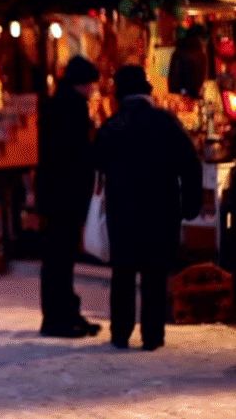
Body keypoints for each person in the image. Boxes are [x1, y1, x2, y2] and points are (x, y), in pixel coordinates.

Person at [94, 65, 202, 351]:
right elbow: (189, 164)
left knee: (123, 272)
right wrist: (190, 205)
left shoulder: (112, 126)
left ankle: (121, 332)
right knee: (155, 272)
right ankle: (152, 336)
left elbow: (98, 163)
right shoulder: (165, 122)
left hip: (123, 209)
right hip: (160, 208)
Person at [36, 56, 103, 338]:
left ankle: (63, 313)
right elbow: (77, 153)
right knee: (61, 257)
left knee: (57, 256)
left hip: (53, 191)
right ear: (82, 83)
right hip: (65, 192)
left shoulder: (55, 103)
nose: (92, 90)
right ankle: (59, 318)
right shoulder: (73, 107)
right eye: (90, 85)